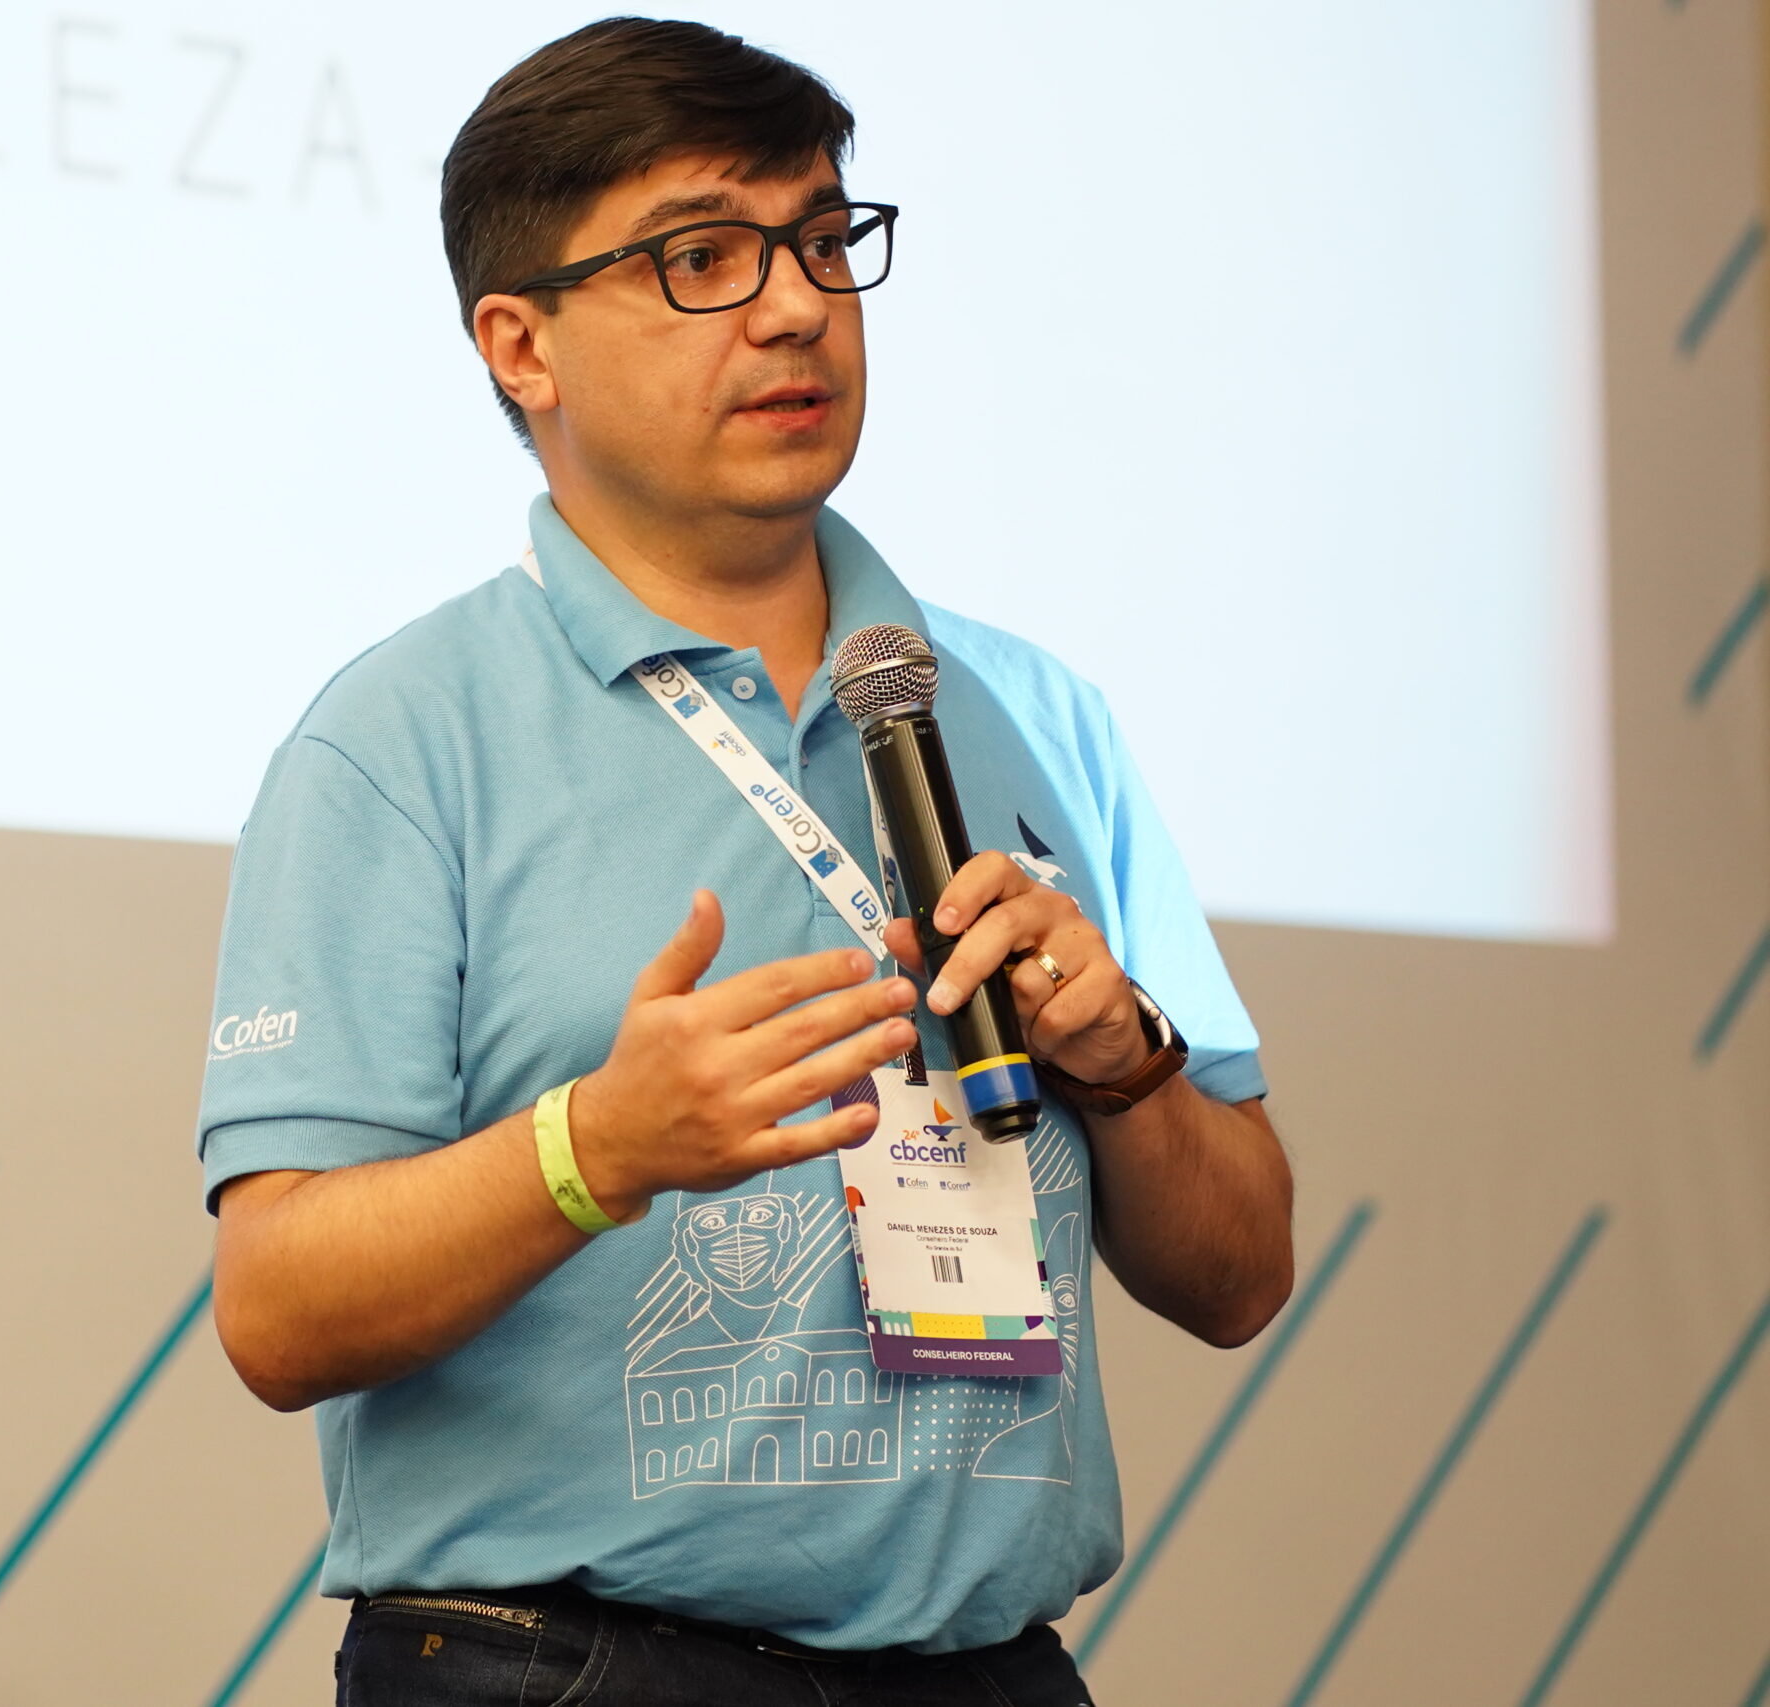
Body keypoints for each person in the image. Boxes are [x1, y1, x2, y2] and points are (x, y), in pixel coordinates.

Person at [196, 18, 1293, 1704]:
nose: (794, 309)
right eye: (701, 258)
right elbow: (278, 1311)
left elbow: (1242, 1275)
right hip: (566, 1669)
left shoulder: (1039, 715)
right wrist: (595, 1148)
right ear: (521, 346)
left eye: (823, 241)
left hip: (993, 1672)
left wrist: (1123, 1063)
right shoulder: (401, 740)